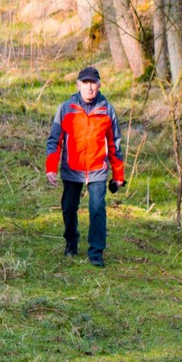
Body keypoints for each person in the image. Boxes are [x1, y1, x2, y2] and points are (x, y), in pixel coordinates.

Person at [46, 65, 126, 267]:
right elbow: (55, 140)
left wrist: (118, 174)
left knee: (97, 209)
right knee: (69, 208)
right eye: (86, 83)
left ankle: (96, 252)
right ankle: (71, 241)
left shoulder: (107, 110)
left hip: (98, 168)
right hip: (72, 168)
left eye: (93, 83)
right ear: (78, 85)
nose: (90, 88)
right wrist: (50, 168)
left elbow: (115, 143)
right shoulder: (66, 108)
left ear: (99, 85)